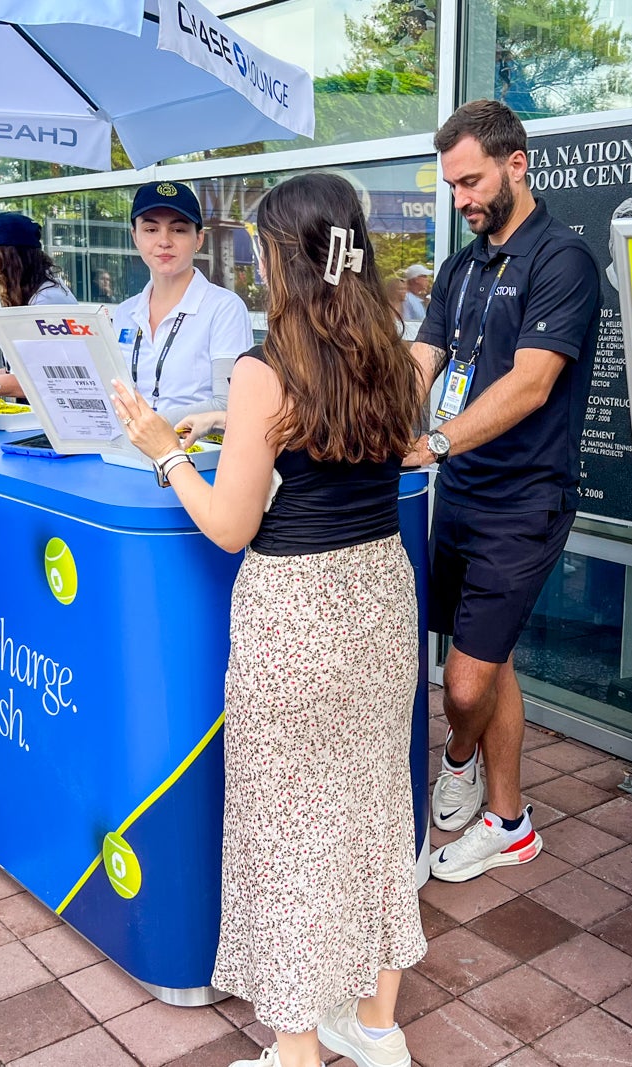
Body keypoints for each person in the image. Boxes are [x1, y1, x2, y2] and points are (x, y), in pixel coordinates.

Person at [111, 172, 426, 1067]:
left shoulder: (266, 369)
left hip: (297, 615)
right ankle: (375, 1027)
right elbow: (347, 435)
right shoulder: (395, 350)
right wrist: (234, 418)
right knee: (374, 808)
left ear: (281, 254)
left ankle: (296, 1052)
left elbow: (229, 525)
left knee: (289, 832)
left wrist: (167, 452)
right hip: (380, 597)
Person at [407, 100, 600, 882]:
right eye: (452, 186)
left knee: (463, 683)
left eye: (472, 181)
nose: (461, 199)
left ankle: (462, 757)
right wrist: (375, 419)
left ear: (516, 164)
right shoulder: (463, 267)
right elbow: (424, 358)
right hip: (459, 491)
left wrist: (434, 442)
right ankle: (510, 821)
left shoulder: (563, 259)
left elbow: (531, 383)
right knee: (490, 660)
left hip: (524, 501)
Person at [114, 181, 254, 445]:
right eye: (151, 229)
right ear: (135, 236)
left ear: (199, 238)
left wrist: (144, 426)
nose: (164, 241)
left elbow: (228, 405)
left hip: (196, 454)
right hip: (127, 453)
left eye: (178, 230)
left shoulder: (224, 308)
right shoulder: (124, 313)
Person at [0, 212, 78, 397]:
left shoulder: (46, 302)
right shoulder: (41, 293)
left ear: (13, 259)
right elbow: (19, 373)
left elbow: (33, 383)